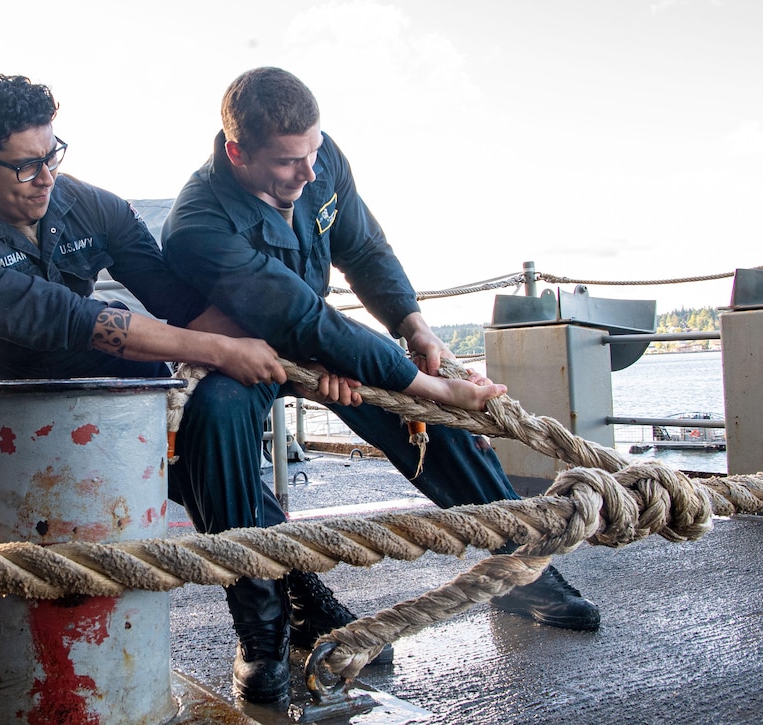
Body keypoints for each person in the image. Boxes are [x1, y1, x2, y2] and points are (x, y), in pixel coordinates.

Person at [161, 67, 601, 705]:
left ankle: (524, 571)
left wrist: (413, 325)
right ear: (237, 153)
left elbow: (362, 248)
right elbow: (300, 317)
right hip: (240, 352)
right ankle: (261, 633)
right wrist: (434, 386)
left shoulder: (319, 156)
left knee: (426, 419)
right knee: (218, 422)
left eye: (314, 152)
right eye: (288, 163)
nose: (308, 174)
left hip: (315, 337)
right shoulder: (198, 223)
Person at [0, 74, 289, 703]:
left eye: (53, 154)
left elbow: (178, 301)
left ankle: (279, 608)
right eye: (25, 165)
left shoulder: (92, 205)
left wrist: (290, 348)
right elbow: (71, 317)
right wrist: (218, 349)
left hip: (83, 358)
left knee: (206, 409)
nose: (45, 176)